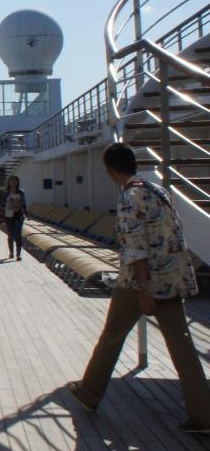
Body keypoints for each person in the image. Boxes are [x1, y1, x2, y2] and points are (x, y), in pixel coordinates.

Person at [68, 143, 209, 433]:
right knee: (182, 345)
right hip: (171, 279)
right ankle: (204, 414)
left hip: (138, 283)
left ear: (110, 170)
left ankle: (89, 393)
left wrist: (144, 289)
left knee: (112, 337)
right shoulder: (158, 191)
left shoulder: (129, 197)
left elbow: (136, 248)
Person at [2, 176, 27, 260]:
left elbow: (24, 204)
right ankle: (11, 252)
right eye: (11, 181)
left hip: (18, 215)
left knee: (18, 235)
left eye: (15, 181)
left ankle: (18, 254)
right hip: (9, 215)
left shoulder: (21, 192)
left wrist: (22, 209)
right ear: (9, 182)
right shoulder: (6, 192)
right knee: (10, 235)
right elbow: (3, 204)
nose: (13, 182)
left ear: (17, 182)